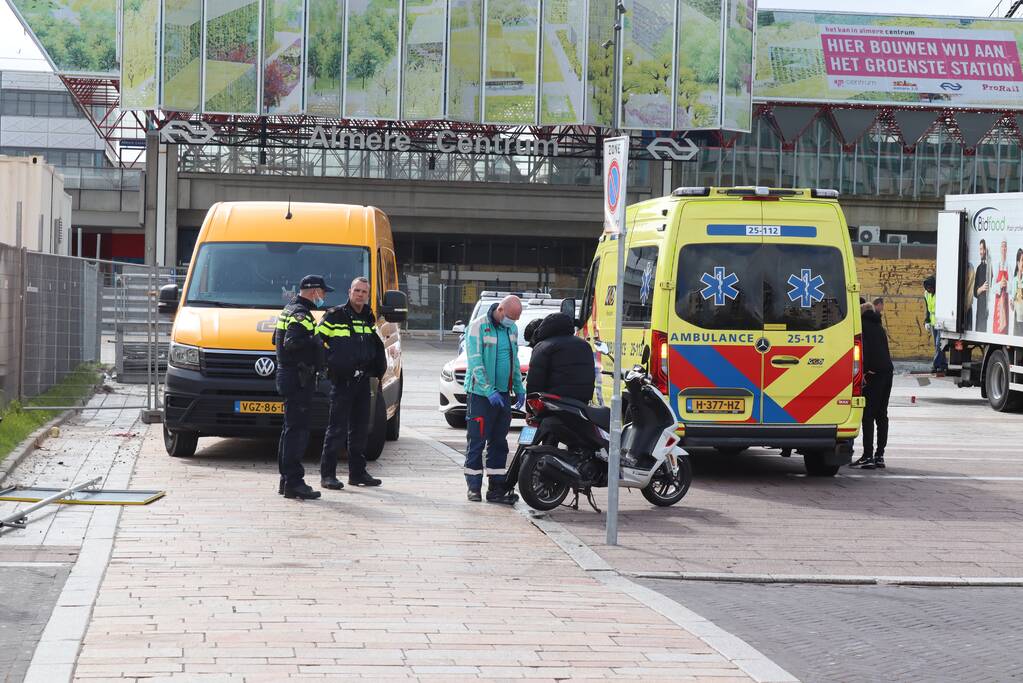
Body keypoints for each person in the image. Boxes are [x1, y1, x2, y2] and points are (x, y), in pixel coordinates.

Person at [316, 277, 386, 488]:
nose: (360, 295)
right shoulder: (335, 315)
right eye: (357, 290)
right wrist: (333, 363)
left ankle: (357, 473)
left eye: (364, 292)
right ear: (349, 292)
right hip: (343, 381)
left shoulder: (367, 317)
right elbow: (317, 342)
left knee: (360, 429)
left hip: (363, 380)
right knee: (336, 429)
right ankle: (327, 475)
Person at [462, 295, 525, 504]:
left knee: (499, 442)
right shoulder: (477, 327)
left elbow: (514, 360)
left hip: (503, 395)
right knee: (476, 441)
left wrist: (518, 387)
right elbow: (475, 362)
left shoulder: (511, 330)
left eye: (515, 320)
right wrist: (488, 390)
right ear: (500, 310)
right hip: (481, 396)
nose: (512, 323)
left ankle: (496, 489)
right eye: (510, 318)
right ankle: (473, 487)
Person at [274, 274, 332, 500]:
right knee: (297, 433)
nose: (324, 296)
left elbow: (276, 341)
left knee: (290, 430)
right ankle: (294, 482)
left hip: (290, 377)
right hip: (298, 379)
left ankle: (286, 480)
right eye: (323, 292)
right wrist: (315, 343)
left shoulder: (289, 309)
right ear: (313, 291)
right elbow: (291, 342)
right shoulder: (300, 314)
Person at [853, 301, 893, 470]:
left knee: (868, 415)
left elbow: (864, 351)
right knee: (881, 415)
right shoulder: (879, 327)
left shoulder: (862, 327)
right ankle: (879, 455)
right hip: (887, 373)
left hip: (873, 374)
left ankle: (867, 455)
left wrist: (863, 373)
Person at [525, 312, 595, 403]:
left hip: (552, 402)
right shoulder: (585, 345)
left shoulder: (543, 346)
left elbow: (534, 382)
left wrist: (530, 408)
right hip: (581, 403)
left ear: (545, 327)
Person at [922, 276, 947, 376]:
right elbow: (927, 308)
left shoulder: (940, 293)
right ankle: (943, 364)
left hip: (940, 322)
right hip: (933, 322)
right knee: (938, 346)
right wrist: (926, 321)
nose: (929, 290)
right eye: (928, 289)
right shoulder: (926, 294)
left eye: (931, 288)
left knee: (938, 345)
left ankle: (935, 365)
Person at [994, 240, 1010, 335]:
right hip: (997, 304)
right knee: (997, 330)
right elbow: (992, 287)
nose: (1004, 249)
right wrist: (999, 285)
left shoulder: (1009, 266)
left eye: (1005, 246)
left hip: (1005, 304)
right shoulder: (997, 265)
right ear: (1000, 249)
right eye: (1002, 246)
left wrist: (1007, 284)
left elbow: (1012, 286)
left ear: (1007, 249)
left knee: (1004, 332)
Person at [974, 239, 990, 332]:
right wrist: (981, 288)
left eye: (983, 249)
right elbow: (974, 292)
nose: (981, 252)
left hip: (987, 307)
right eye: (980, 249)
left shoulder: (990, 267)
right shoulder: (979, 268)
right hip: (980, 308)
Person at [1012, 248, 1023, 336]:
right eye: (1022, 260)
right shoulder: (1015, 280)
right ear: (1018, 263)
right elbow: (1012, 306)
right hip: (1018, 321)